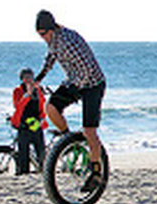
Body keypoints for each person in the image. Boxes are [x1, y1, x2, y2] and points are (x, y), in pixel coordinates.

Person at [33, 10, 107, 193]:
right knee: (50, 107)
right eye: (39, 35)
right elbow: (51, 59)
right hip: (76, 81)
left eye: (43, 34)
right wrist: (39, 79)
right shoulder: (53, 42)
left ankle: (96, 171)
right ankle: (68, 138)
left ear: (51, 28)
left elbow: (86, 68)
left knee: (89, 131)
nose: (42, 38)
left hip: (93, 84)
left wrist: (73, 89)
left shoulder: (68, 40)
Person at [11, 68, 47, 174]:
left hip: (36, 125)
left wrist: (42, 118)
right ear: (22, 79)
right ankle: (23, 172)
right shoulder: (18, 91)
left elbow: (43, 105)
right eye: (26, 77)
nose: (28, 80)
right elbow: (18, 106)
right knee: (24, 155)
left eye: (30, 77)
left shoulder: (38, 90)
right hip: (23, 126)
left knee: (41, 153)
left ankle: (42, 171)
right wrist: (27, 95)